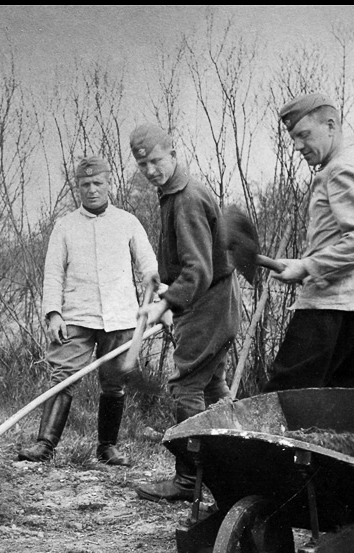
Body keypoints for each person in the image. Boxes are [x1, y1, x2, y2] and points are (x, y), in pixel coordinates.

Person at [17, 156, 159, 465]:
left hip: (120, 317)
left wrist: (155, 291)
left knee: (114, 383)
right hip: (76, 317)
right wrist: (54, 313)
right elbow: (53, 273)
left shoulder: (128, 222)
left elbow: (148, 267)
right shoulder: (65, 226)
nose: (92, 189)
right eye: (85, 184)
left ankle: (107, 447)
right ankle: (45, 445)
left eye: (98, 183)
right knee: (63, 377)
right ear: (77, 187)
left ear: (109, 184)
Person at [130, 125, 241, 502]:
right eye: (142, 164)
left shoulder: (188, 197)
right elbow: (188, 263)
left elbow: (199, 270)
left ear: (173, 154)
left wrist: (166, 303)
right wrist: (162, 281)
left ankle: (189, 479)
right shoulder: (174, 193)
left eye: (156, 160)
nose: (150, 170)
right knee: (210, 386)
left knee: (184, 387)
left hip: (207, 304)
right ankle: (232, 466)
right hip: (215, 302)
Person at [264, 93, 354, 391]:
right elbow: (349, 237)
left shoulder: (341, 169)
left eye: (304, 134)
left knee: (283, 402)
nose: (297, 146)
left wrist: (308, 266)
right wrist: (302, 267)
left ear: (331, 125)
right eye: (293, 138)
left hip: (330, 310)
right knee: (332, 411)